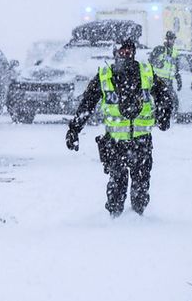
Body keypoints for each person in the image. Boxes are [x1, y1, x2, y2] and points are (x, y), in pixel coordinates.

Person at [65, 36, 173, 217]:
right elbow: (87, 104)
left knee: (141, 186)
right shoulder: (104, 76)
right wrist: (74, 129)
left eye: (129, 50)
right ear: (115, 53)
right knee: (117, 185)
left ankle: (139, 220)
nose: (126, 54)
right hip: (115, 143)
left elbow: (164, 95)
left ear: (134, 52)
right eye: (122, 51)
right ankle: (115, 224)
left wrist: (164, 116)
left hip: (141, 141)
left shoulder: (146, 72)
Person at [148, 30, 183, 113]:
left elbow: (176, 68)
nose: (172, 42)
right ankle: (155, 115)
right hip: (158, 79)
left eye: (173, 40)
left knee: (172, 99)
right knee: (156, 99)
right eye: (170, 39)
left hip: (169, 81)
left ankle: (170, 115)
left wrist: (178, 79)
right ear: (166, 39)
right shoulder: (159, 49)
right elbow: (150, 61)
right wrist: (158, 63)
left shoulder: (175, 52)